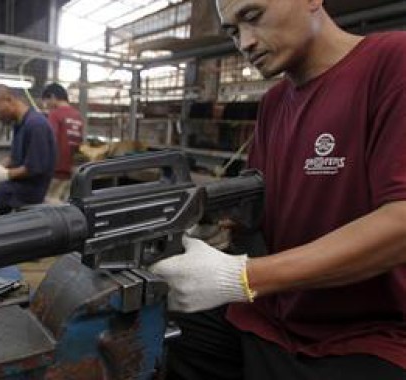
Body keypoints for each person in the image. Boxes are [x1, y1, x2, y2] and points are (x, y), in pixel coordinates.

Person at [149, 1, 406, 379]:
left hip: (371, 335)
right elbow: (266, 208)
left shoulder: (393, 62)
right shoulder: (273, 104)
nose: (246, 43)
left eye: (253, 17)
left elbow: (401, 223)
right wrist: (219, 227)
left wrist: (242, 277)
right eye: (234, 31)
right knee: (153, 336)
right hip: (272, 316)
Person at [0, 85, 56, 217]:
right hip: (18, 182)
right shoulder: (19, 124)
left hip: (29, 190)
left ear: (9, 99)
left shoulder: (36, 124)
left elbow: (35, 168)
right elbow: (14, 156)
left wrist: (7, 174)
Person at [41, 83, 84, 201]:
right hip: (71, 172)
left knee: (49, 206)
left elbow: (48, 141)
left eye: (47, 101)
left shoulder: (55, 114)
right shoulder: (77, 115)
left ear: (53, 97)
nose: (47, 106)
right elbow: (78, 143)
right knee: (65, 205)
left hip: (55, 172)